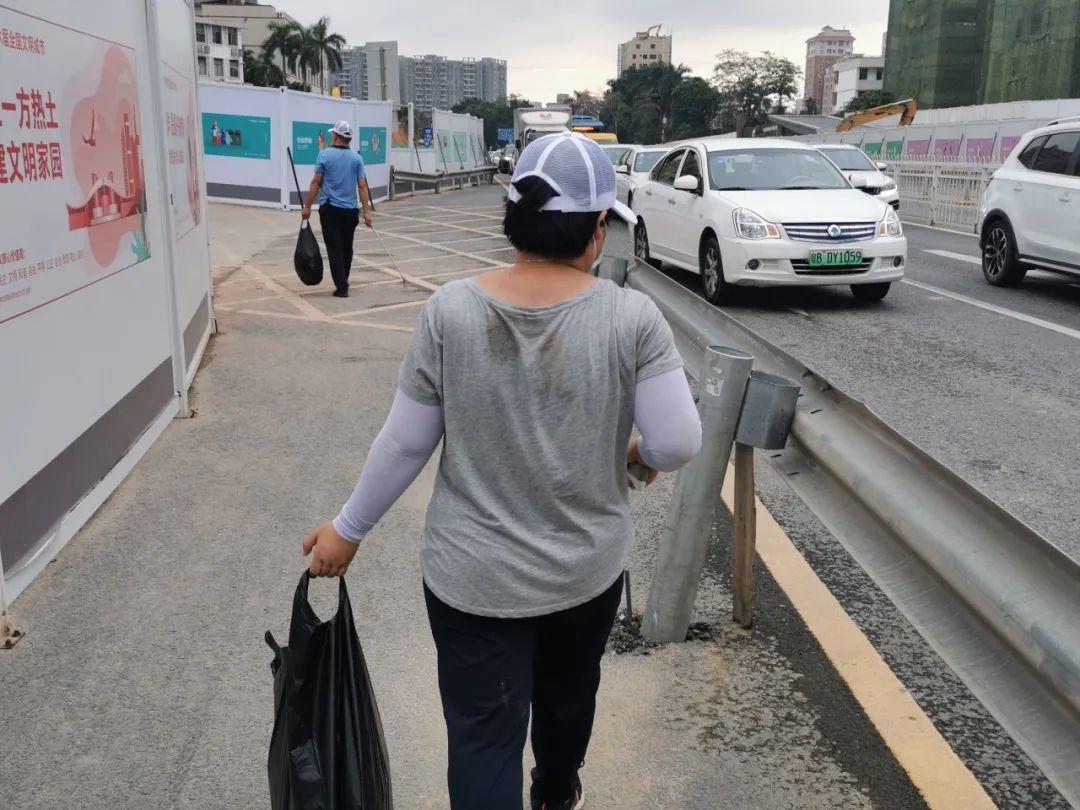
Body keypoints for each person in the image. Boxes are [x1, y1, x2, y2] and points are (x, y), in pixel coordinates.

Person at [302, 131, 702, 809]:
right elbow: (678, 442)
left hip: (472, 580)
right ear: (596, 229)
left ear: (513, 217)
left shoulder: (451, 309)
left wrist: (348, 530)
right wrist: (635, 455)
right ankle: (555, 792)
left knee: (483, 738)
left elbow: (405, 443)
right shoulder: (632, 318)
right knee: (567, 700)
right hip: (583, 575)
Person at [301, 120, 373, 298]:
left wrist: (307, 206)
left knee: (334, 248)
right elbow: (362, 186)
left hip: (330, 210)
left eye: (333, 133)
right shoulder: (357, 158)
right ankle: (343, 280)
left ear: (336, 135)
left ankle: (341, 287)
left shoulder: (324, 155)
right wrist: (367, 212)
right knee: (347, 248)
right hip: (350, 211)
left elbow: (316, 182)